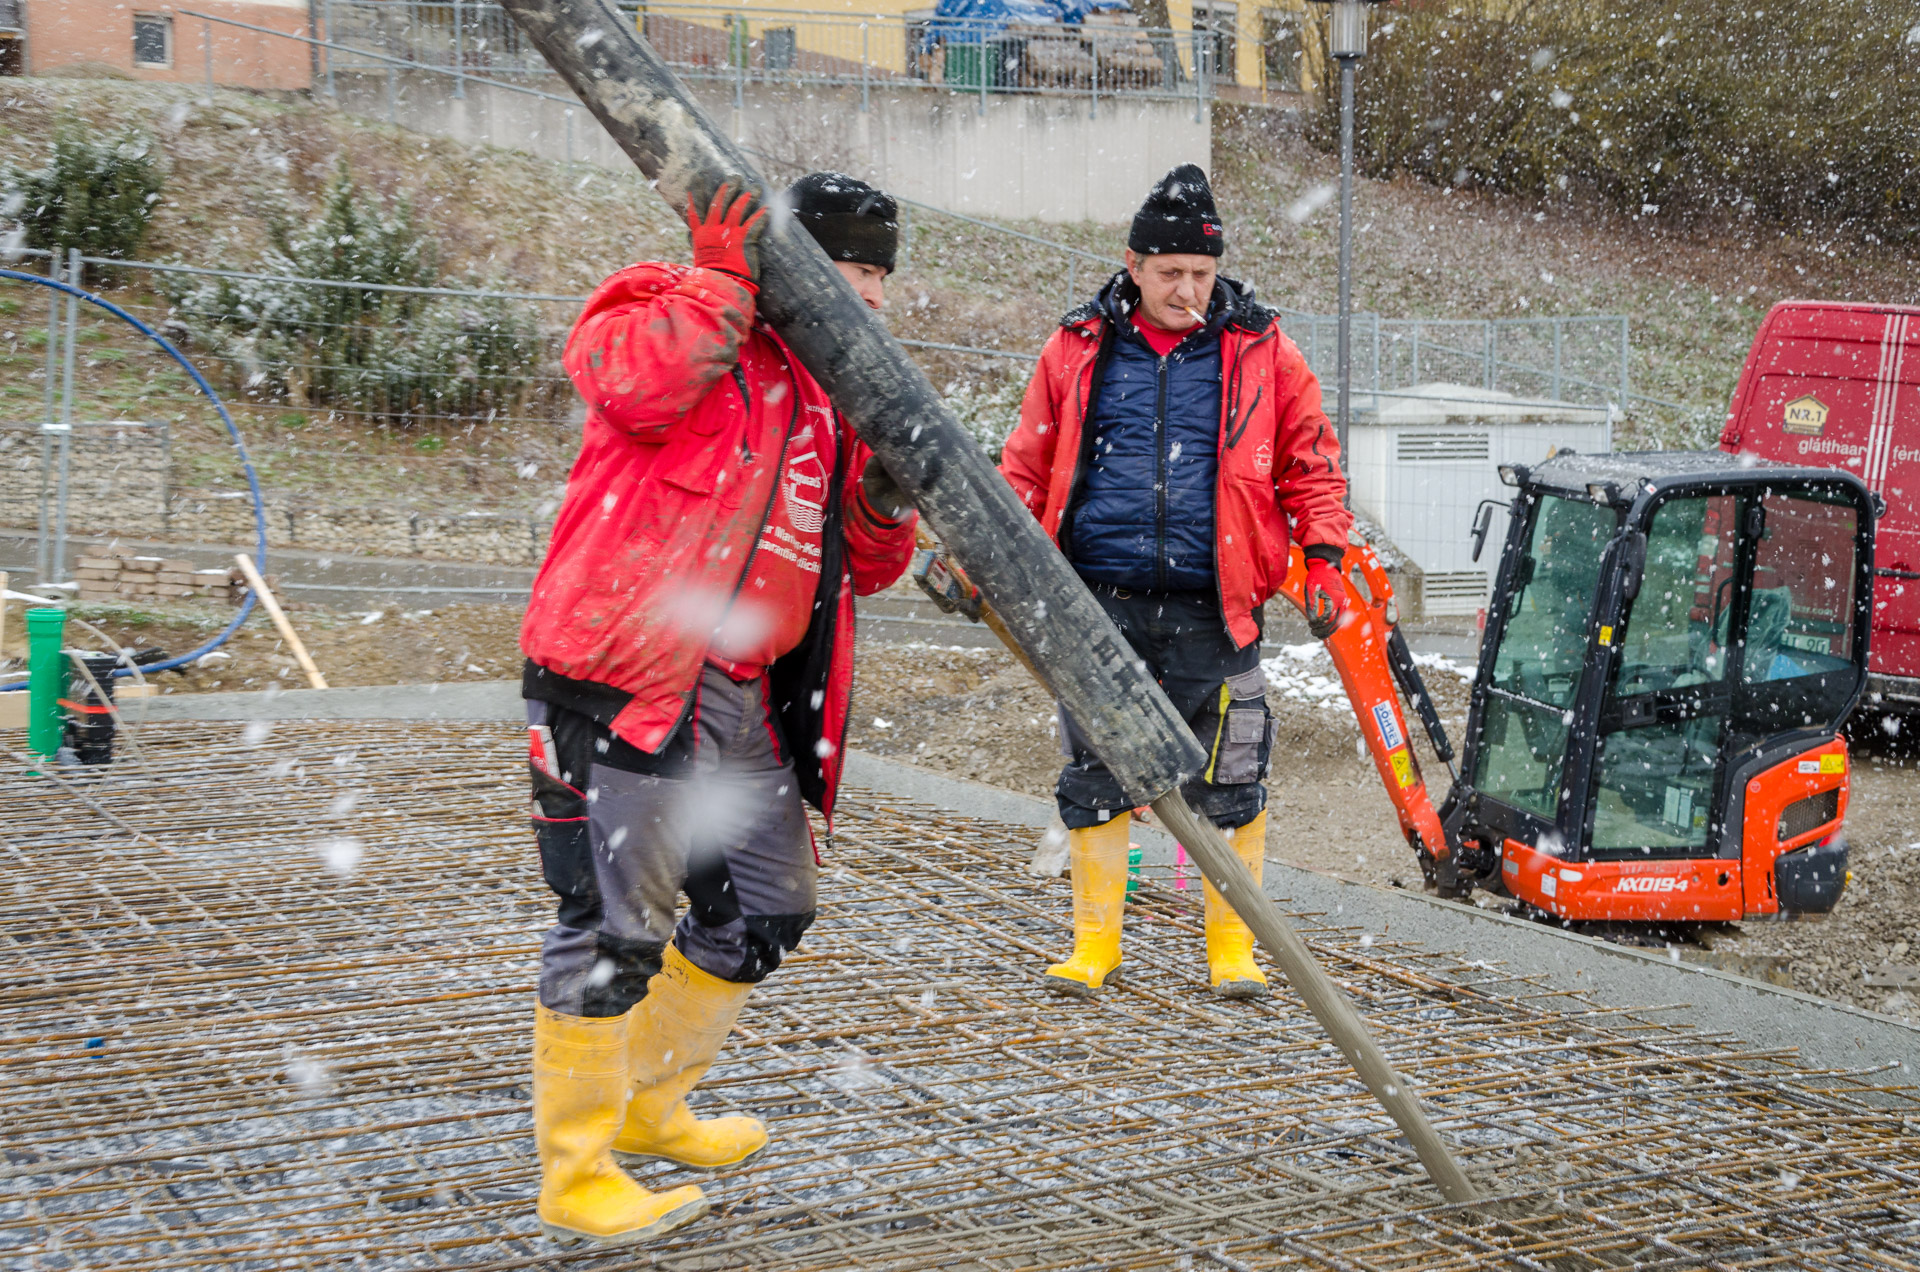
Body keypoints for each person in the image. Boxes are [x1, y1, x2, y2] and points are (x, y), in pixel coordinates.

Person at [518, 171, 916, 1245]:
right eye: (852, 269)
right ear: (794, 265)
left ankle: (649, 1107)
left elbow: (858, 568)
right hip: (627, 670)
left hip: (740, 692)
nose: (872, 297)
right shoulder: (676, 304)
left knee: (766, 909)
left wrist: (881, 501)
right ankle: (577, 1170)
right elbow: (631, 385)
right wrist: (718, 279)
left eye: (883, 274)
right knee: (612, 927)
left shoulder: (833, 401)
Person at [999, 163, 1353, 1001]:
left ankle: (1231, 952)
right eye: (1170, 273)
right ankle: (1095, 948)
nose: (1187, 289)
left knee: (1232, 777)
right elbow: (1027, 461)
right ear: (1134, 266)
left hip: (1216, 606)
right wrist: (997, 557)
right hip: (1097, 604)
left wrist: (1327, 555)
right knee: (1095, 775)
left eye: (1200, 273)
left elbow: (1313, 465)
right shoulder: (1077, 347)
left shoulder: (1265, 351)